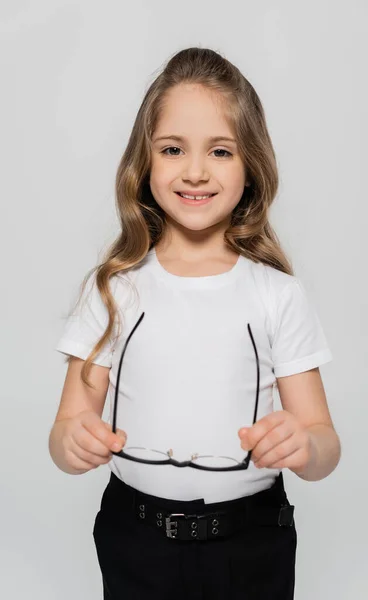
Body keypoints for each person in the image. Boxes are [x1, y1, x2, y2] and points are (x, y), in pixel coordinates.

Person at [49, 46, 341, 600]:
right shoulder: (113, 288)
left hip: (253, 542)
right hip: (133, 539)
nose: (196, 170)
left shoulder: (278, 294)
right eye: (173, 148)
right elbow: (65, 429)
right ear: (146, 162)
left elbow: (325, 444)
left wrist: (304, 445)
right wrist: (72, 443)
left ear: (250, 164)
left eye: (221, 151)